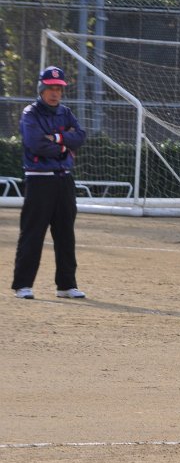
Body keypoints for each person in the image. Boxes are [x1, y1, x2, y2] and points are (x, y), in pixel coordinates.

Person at [11, 66, 87, 300]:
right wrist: (65, 147)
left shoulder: (66, 112)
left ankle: (66, 285)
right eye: (50, 88)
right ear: (41, 89)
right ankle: (23, 285)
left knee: (65, 234)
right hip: (39, 180)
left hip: (64, 179)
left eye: (59, 88)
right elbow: (36, 144)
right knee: (33, 233)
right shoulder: (30, 113)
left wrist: (57, 138)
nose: (55, 93)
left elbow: (80, 136)